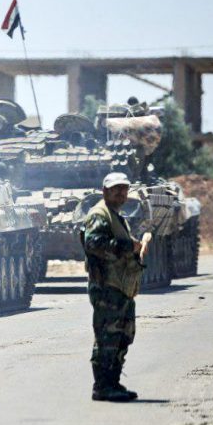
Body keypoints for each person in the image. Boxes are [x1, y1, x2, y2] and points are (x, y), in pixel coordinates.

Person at [82, 172, 151, 402]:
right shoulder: (99, 215)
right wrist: (127, 246)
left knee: (123, 335)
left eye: (124, 189)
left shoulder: (116, 216)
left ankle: (113, 383)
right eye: (115, 189)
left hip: (120, 287)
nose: (121, 193)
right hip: (106, 287)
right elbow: (93, 243)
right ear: (105, 191)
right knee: (107, 337)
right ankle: (102, 386)